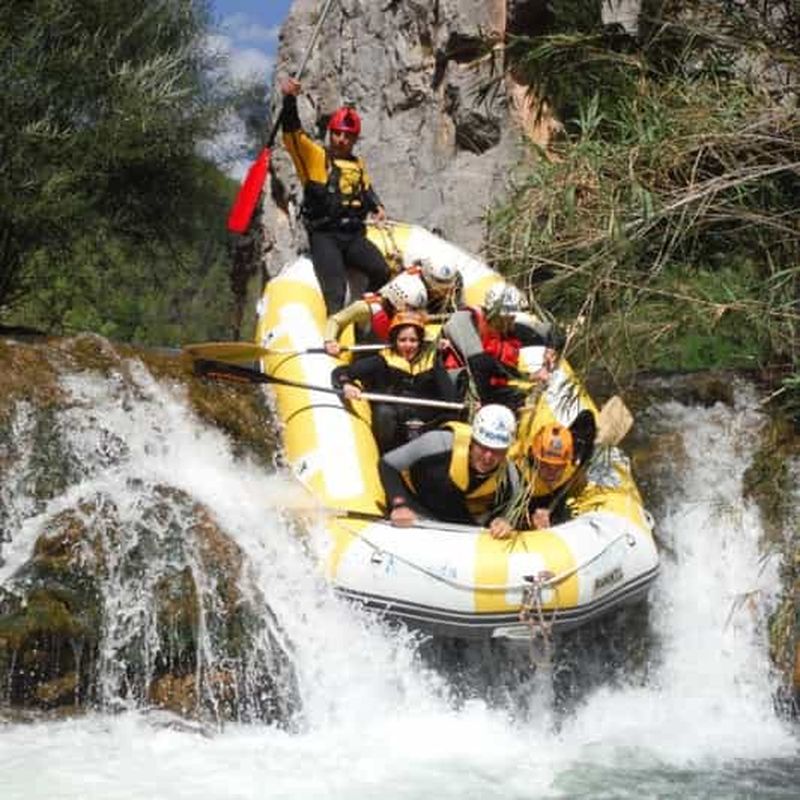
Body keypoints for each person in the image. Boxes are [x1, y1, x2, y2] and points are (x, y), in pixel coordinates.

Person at [280, 77, 390, 314]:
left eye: (348, 136)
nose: (342, 139)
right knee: (335, 292)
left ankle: (366, 319)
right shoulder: (315, 157)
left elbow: (366, 189)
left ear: (354, 139)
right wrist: (290, 99)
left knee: (381, 270)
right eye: (338, 133)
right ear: (331, 133)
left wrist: (377, 207)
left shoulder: (357, 164)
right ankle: (332, 340)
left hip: (352, 235)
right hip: (325, 235)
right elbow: (293, 135)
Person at [378, 404, 520, 538]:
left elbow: (506, 515)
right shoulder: (437, 443)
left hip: (459, 530)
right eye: (482, 447)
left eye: (497, 451)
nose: (488, 457)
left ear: (506, 450)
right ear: (472, 441)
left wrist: (502, 522)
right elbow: (387, 464)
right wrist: (399, 504)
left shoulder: (510, 476)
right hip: (415, 514)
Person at [331, 310, 459, 452]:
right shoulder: (381, 361)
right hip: (392, 424)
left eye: (413, 340)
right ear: (394, 340)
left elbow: (450, 398)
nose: (408, 346)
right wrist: (347, 384)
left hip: (424, 422)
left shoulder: (431, 363)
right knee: (384, 413)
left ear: (420, 341)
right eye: (402, 340)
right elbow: (341, 372)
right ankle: (385, 454)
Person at [441, 281, 557, 409]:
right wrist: (528, 376)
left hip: (493, 392)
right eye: (503, 318)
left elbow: (553, 332)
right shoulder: (466, 319)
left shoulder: (511, 329)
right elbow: (480, 363)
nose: (508, 322)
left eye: (511, 317)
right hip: (460, 392)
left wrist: (550, 350)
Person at [506, 411, 597, 534]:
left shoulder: (571, 467)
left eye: (558, 467)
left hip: (552, 505)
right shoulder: (515, 473)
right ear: (535, 459)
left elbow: (587, 422)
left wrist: (551, 517)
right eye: (546, 466)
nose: (552, 473)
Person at [323, 271, 428, 355]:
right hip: (367, 354)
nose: (414, 314)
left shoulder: (412, 313)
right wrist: (330, 341)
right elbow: (336, 320)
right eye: (411, 308)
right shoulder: (367, 308)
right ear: (397, 301)